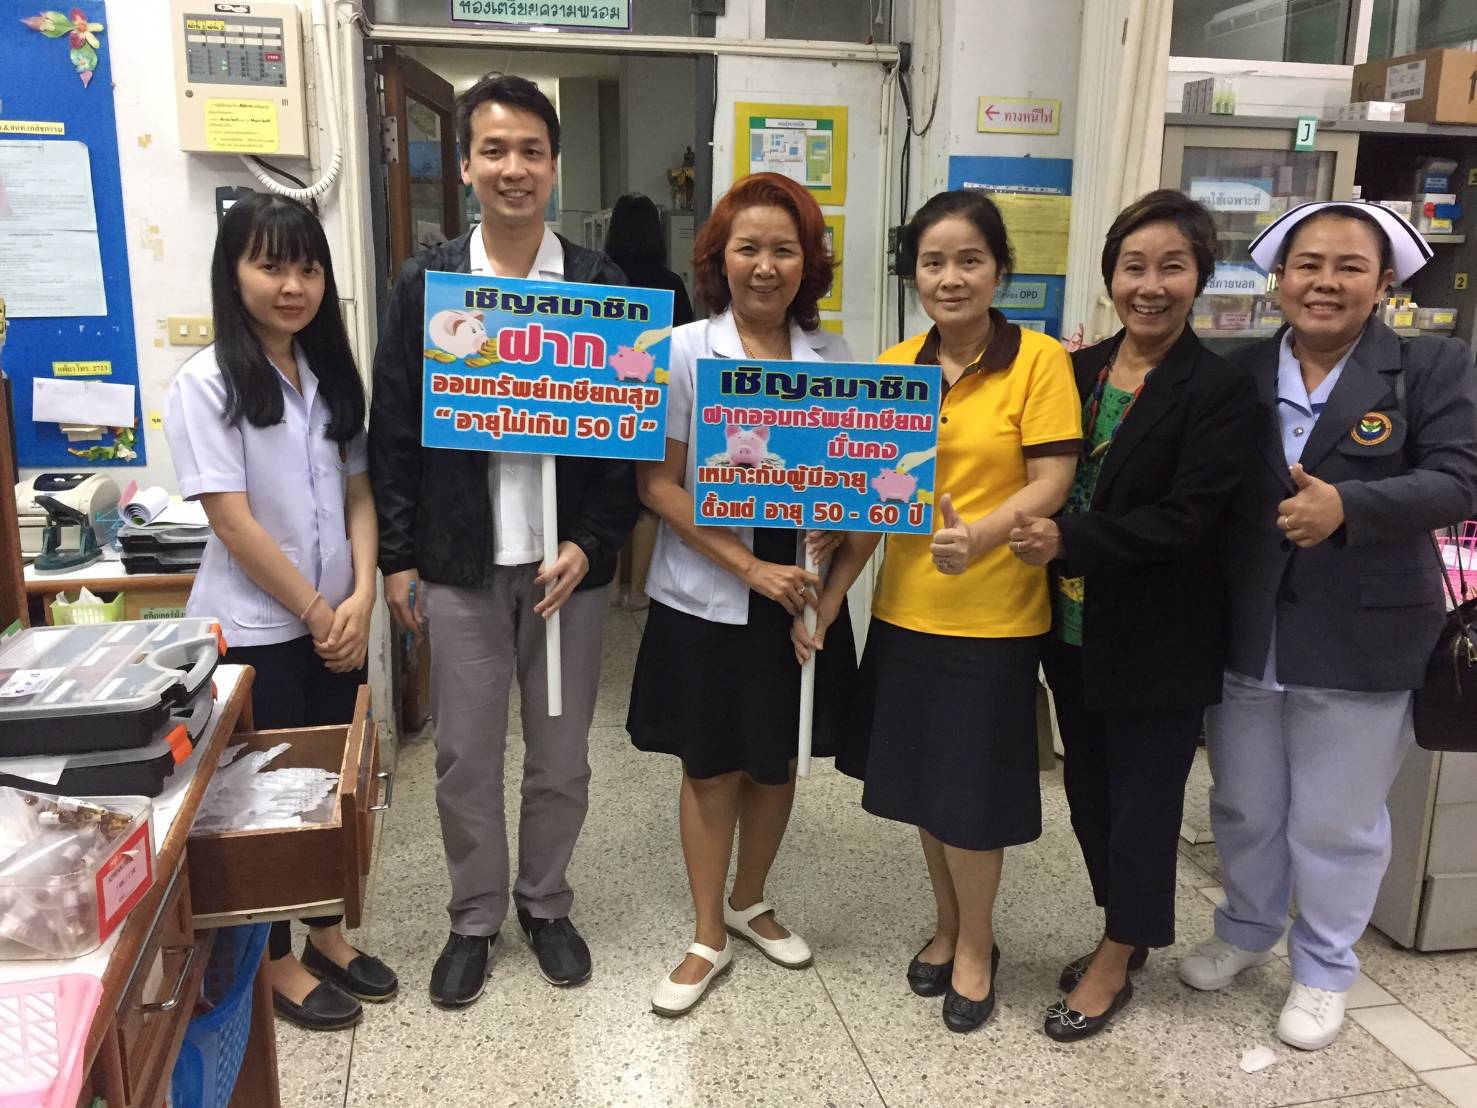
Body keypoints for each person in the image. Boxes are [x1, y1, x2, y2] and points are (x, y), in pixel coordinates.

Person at [1177, 200, 1477, 1050]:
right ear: (1278, 278)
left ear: (1382, 284)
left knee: (1335, 821)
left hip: (1363, 635)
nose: (1325, 282)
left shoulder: (1427, 366)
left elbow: (1460, 479)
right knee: (1243, 804)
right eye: (1308, 264)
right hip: (1244, 629)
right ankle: (1244, 929)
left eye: (1349, 267)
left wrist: (1349, 505)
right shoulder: (1234, 370)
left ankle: (1322, 968)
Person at [368, 74, 640, 1008]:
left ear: (554, 164)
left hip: (567, 568)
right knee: (464, 757)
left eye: (530, 150)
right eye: (494, 150)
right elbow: (394, 429)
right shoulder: (428, 284)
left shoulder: (599, 288)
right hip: (459, 561)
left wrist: (593, 541)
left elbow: (627, 441)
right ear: (466, 166)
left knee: (561, 756)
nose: (513, 168)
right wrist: (398, 557)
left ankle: (544, 903)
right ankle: (475, 917)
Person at [815, 189, 1081, 1033]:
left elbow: (1051, 480)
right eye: (933, 262)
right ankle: (946, 924)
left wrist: (982, 536)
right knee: (927, 793)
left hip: (993, 621)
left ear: (999, 269)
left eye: (969, 260)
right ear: (913, 274)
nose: (950, 277)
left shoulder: (1037, 361)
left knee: (971, 801)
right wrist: (831, 586)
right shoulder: (895, 368)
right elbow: (876, 497)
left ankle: (975, 943)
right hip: (904, 614)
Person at [1007, 190, 1256, 1041]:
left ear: (1200, 277)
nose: (1149, 286)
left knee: (1142, 802)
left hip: (1161, 634)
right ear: (1110, 275)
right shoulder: (1071, 372)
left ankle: (1115, 958)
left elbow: (1188, 519)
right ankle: (1126, 925)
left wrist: (1066, 538)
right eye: (1133, 267)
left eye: (1171, 267)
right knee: (1089, 794)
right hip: (1069, 629)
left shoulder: (1218, 389)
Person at [163, 191, 397, 1031]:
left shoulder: (328, 374)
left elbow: (360, 493)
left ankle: (327, 934)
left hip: (338, 620)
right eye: (270, 266)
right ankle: (272, 962)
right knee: (265, 803)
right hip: (260, 631)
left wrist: (363, 595)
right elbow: (232, 522)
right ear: (233, 274)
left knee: (333, 786)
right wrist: (317, 611)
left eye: (307, 268)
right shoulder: (206, 383)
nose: (292, 286)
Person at [630, 171, 858, 1018]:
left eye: (784, 250)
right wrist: (749, 569)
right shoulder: (684, 351)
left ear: (809, 263)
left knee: (777, 759)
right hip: (711, 595)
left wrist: (832, 560)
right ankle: (706, 934)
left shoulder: (836, 358)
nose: (766, 266)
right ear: (718, 260)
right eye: (748, 248)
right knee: (711, 767)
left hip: (800, 594)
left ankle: (749, 898)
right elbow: (658, 485)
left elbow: (864, 485)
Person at [602, 192, 694, 609]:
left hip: (606, 401)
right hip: (659, 401)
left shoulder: (602, 278)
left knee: (608, 492)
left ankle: (608, 586)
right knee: (649, 501)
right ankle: (637, 590)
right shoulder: (670, 283)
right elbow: (685, 344)